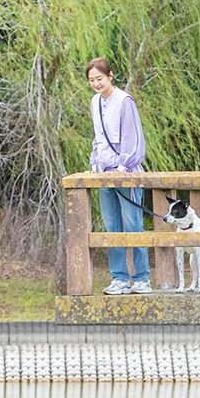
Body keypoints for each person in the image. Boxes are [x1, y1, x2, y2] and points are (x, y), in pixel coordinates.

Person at [86, 57, 151, 294]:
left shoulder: (124, 101)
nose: (96, 84)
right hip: (104, 173)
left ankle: (142, 279)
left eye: (99, 78)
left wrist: (122, 170)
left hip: (125, 174)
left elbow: (132, 139)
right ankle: (119, 278)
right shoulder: (95, 102)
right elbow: (98, 137)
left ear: (110, 75)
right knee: (111, 227)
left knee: (133, 225)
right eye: (91, 80)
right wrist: (96, 164)